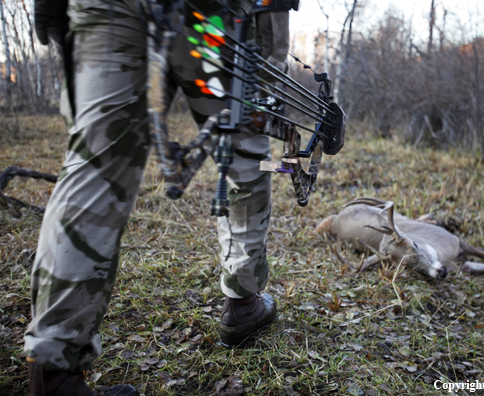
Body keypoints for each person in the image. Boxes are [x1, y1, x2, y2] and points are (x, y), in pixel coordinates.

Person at [26, 0, 297, 394]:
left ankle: (54, 371)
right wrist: (272, 48)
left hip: (113, 8)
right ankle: (242, 299)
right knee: (243, 154)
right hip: (209, 18)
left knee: (94, 165)